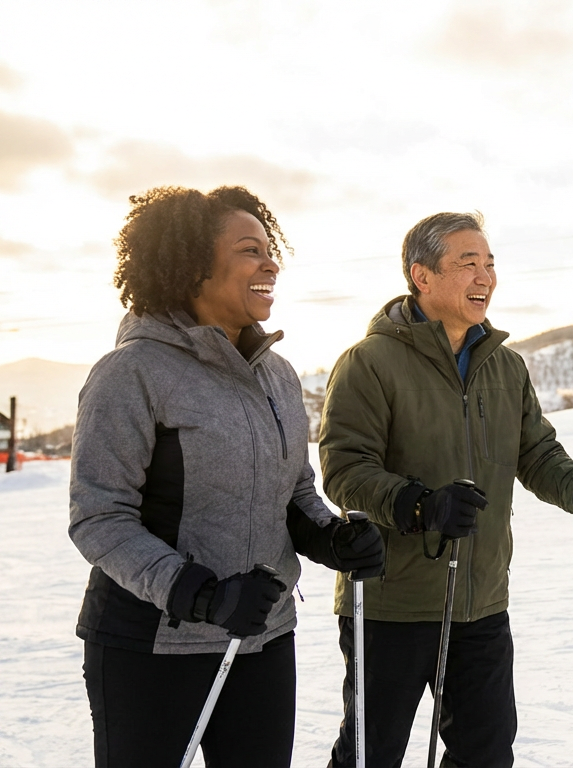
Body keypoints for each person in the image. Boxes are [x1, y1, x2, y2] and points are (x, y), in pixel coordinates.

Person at [68, 185, 384, 768]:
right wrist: (203, 595)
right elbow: (99, 516)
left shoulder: (279, 376)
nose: (270, 263)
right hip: (151, 648)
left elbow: (293, 492)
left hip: (261, 640)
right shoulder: (131, 373)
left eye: (269, 248)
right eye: (249, 250)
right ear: (192, 269)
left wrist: (331, 537)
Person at [319, 211, 573, 767]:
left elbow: (537, 454)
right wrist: (421, 505)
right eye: (468, 264)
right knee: (371, 755)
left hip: (481, 604)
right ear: (421, 276)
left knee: (486, 754)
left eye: (490, 264)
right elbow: (345, 469)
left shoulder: (506, 366)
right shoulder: (368, 363)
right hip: (392, 604)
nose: (485, 277)